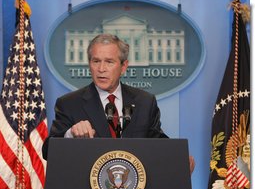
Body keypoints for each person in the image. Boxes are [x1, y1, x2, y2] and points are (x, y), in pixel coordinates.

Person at [42, 33, 195, 173]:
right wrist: (70, 135)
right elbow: (48, 151)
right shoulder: (69, 103)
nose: (101, 69)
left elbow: (157, 143)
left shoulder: (144, 102)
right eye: (96, 61)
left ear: (123, 67)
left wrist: (177, 158)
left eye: (109, 62)